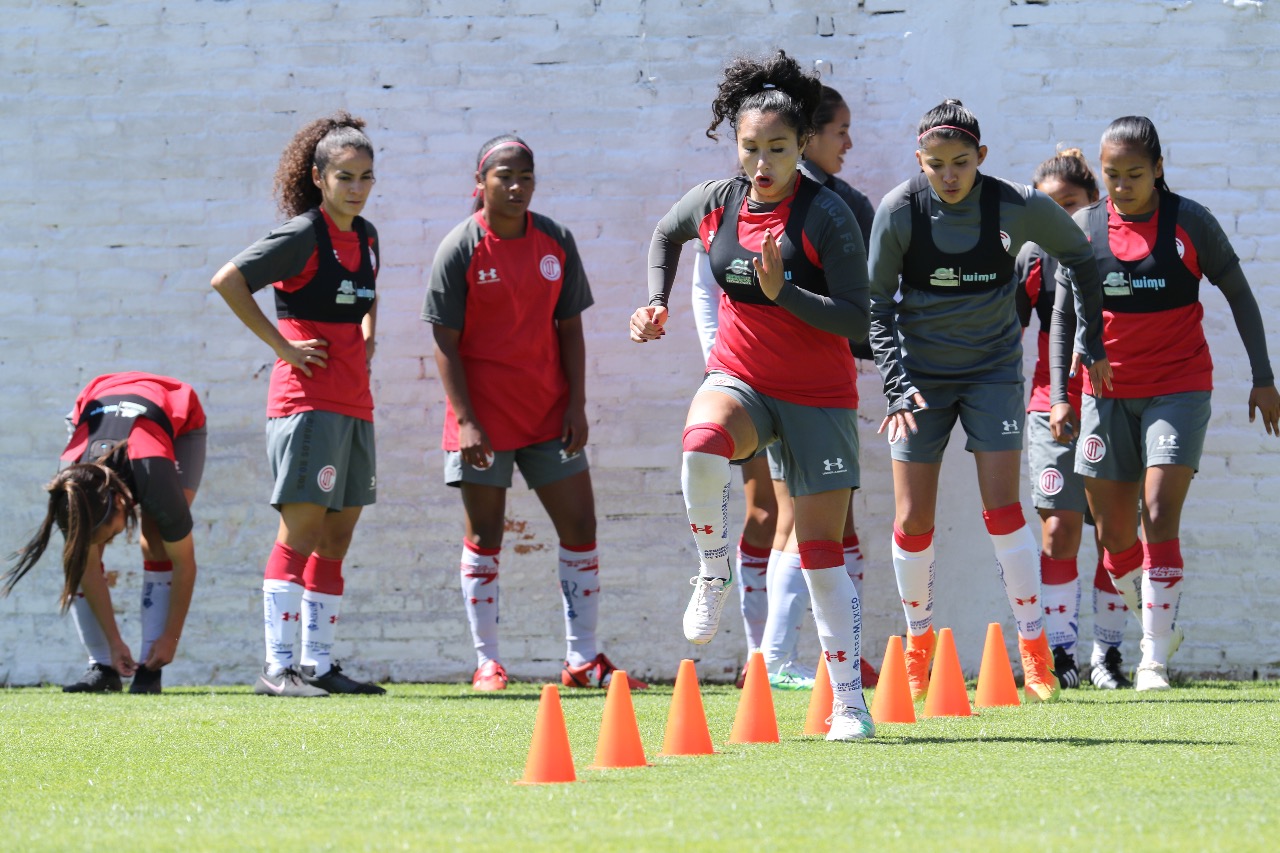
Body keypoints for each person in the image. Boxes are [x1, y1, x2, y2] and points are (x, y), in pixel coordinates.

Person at [631, 51, 874, 740]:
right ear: (735, 147)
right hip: (742, 378)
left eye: (778, 149)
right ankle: (713, 573)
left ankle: (850, 703)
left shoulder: (828, 215)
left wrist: (785, 294)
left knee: (823, 553)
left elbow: (858, 318)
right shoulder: (718, 200)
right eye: (751, 149)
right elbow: (664, 234)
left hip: (818, 395)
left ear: (802, 147)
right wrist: (654, 301)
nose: (762, 163)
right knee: (701, 444)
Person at [867, 99, 1111, 705]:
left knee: (1002, 509)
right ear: (919, 161)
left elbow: (1082, 257)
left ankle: (1035, 650)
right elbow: (876, 305)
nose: (949, 176)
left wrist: (1092, 340)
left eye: (960, 162)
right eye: (936, 164)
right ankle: (918, 647)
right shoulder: (899, 210)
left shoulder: (1016, 205)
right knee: (911, 520)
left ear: (982, 157)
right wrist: (896, 385)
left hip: (992, 376)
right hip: (920, 381)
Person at [1051, 116, 1280, 692]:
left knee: (1157, 511)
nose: (1123, 186)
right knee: (1114, 536)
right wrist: (1061, 395)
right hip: (1105, 394)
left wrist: (1263, 377)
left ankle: (1153, 658)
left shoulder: (1190, 222)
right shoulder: (1084, 228)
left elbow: (1240, 294)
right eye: (1111, 175)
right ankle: (1156, 622)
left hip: (1178, 388)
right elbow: (1061, 319)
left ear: (1158, 169)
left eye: (1134, 174)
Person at [424, 134, 645, 693]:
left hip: (550, 417)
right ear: (482, 183)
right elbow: (444, 345)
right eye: (505, 175)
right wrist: (467, 420)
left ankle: (583, 660)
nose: (517, 185)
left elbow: (569, 329)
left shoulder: (556, 240)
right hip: (482, 423)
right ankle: (487, 663)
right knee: (486, 536)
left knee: (581, 527)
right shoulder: (460, 248)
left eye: (526, 175)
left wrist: (577, 404)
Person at [211, 112, 385, 697]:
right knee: (301, 533)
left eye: (365, 177)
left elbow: (368, 293)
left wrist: (367, 333)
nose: (356, 189)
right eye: (344, 177)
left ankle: (317, 665)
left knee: (337, 538)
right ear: (318, 177)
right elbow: (228, 280)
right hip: (307, 405)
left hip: (354, 405)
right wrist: (282, 345)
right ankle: (277, 668)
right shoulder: (301, 235)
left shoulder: (366, 236)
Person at [758, 83, 881, 691]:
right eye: (841, 131)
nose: (849, 143)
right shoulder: (821, 202)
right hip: (792, 386)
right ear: (812, 138)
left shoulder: (839, 202)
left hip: (811, 382)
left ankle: (782, 657)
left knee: (803, 518)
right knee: (801, 518)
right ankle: (782, 659)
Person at [3, 372, 206, 694]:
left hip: (174, 414)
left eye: (110, 534)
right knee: (80, 550)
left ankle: (150, 671)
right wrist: (113, 642)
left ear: (120, 501)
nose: (111, 542)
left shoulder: (154, 475)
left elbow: (185, 563)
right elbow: (81, 561)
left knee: (156, 537)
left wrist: (171, 638)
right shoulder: (69, 484)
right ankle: (101, 666)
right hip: (96, 401)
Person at [1015, 148, 1134, 690]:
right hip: (1050, 408)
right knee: (1058, 529)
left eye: (1071, 205)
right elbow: (1002, 333)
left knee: (1113, 534)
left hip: (1109, 404)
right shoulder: (1034, 260)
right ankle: (1061, 655)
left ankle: (1108, 656)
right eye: (1049, 208)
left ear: (1094, 203)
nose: (1061, 218)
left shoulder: (1115, 250)